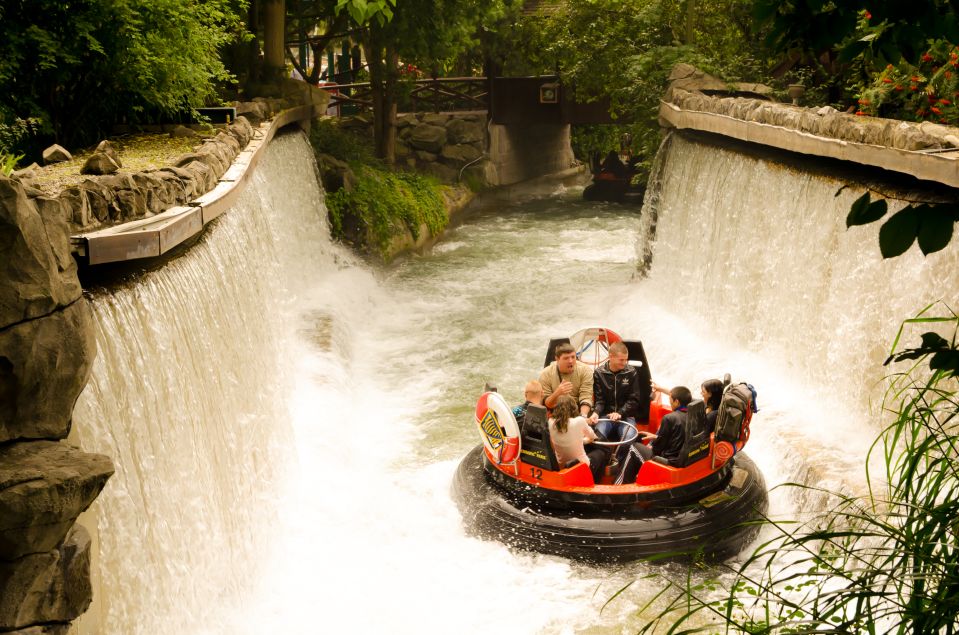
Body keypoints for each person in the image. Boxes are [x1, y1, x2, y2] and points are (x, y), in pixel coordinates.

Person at [614, 386, 693, 485]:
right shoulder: (694, 416)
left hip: (667, 463)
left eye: (671, 400)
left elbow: (658, 448)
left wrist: (651, 445)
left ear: (677, 402)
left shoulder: (669, 418)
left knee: (634, 447)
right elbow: (676, 438)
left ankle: (619, 484)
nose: (670, 402)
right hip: (681, 460)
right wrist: (656, 437)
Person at [589, 341, 642, 461]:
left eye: (626, 360)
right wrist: (596, 412)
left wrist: (620, 413)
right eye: (621, 360)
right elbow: (600, 400)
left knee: (629, 438)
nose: (624, 363)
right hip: (605, 416)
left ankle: (620, 462)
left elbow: (634, 399)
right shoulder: (599, 373)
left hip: (626, 416)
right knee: (596, 437)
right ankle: (605, 460)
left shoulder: (631, 372)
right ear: (611, 357)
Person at [548, 394, 605, 483]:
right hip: (581, 468)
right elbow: (593, 437)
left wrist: (579, 440)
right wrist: (584, 437)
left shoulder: (550, 422)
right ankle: (596, 482)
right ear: (573, 408)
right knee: (601, 453)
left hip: (562, 467)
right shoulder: (579, 421)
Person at [539, 343, 594, 419]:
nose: (570, 361)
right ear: (557, 359)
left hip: (578, 412)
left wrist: (583, 417)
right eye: (566, 358)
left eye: (573, 357)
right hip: (556, 414)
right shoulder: (546, 374)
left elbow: (586, 397)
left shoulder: (585, 371)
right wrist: (558, 393)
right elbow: (547, 404)